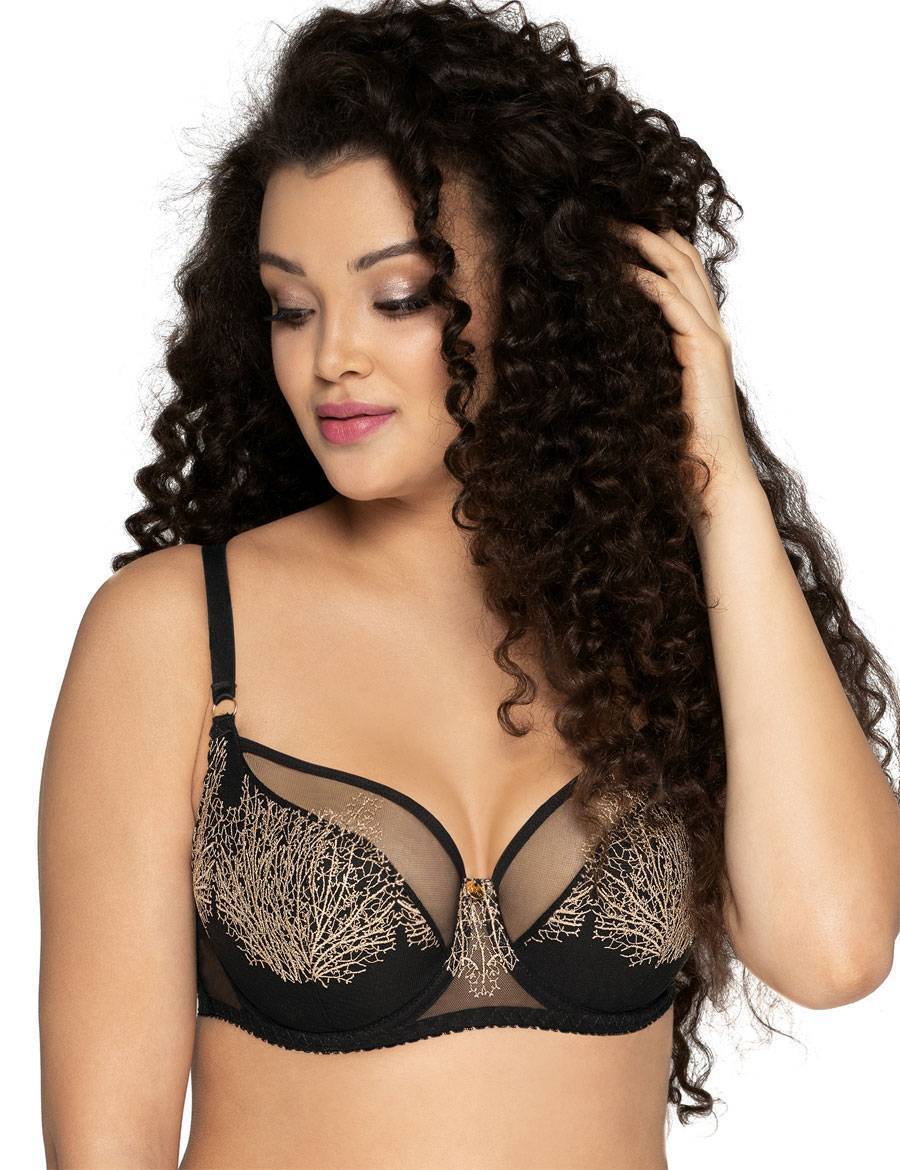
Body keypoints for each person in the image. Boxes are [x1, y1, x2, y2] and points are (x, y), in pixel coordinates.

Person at [37, 2, 900, 1168]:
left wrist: (717, 480)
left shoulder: (648, 627)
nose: (332, 355)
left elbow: (836, 947)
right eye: (292, 306)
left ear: (536, 300)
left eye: (396, 297)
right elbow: (107, 1146)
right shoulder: (177, 631)